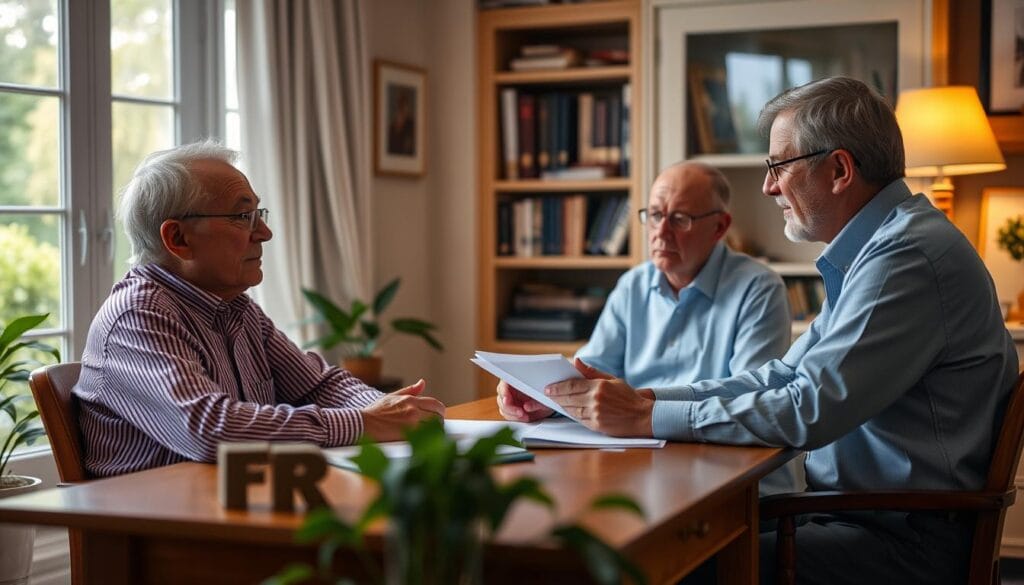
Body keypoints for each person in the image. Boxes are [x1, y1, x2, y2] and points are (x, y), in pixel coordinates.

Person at [498, 77, 1019, 584]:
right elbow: (782, 378)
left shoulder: (904, 257)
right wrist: (637, 399)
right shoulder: (884, 248)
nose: (769, 185)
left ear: (839, 170)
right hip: (864, 515)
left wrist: (647, 414)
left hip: (900, 537)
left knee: (655, 562)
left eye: (779, 166)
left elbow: (807, 408)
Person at [74, 141, 445, 478]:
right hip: (156, 531)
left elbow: (318, 385)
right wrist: (365, 423)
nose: (264, 233)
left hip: (230, 505)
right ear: (178, 239)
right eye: (243, 217)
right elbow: (210, 429)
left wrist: (388, 408)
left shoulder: (237, 308)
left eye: (258, 214)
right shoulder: (137, 316)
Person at [497, 161, 795, 493]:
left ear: (719, 227)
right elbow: (590, 373)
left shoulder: (759, 288)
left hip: (732, 478)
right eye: (654, 215)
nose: (661, 231)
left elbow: (749, 400)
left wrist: (641, 408)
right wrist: (541, 395)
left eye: (679, 219)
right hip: (643, 467)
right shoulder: (633, 286)